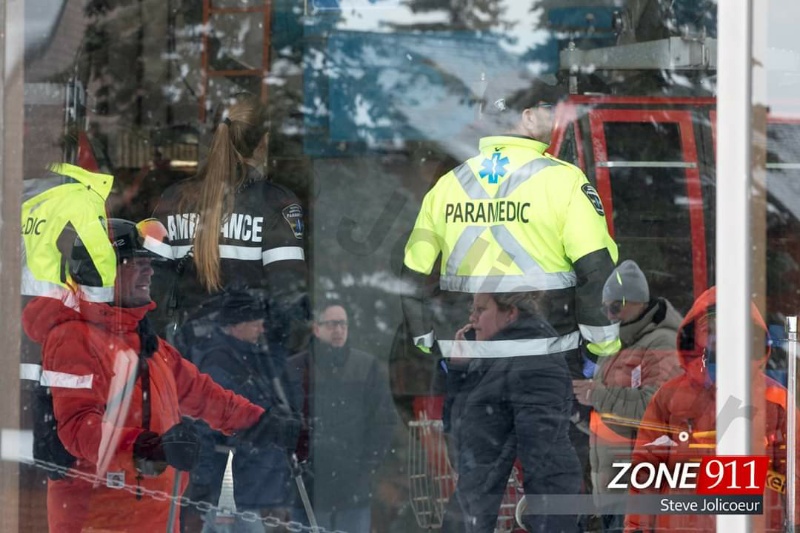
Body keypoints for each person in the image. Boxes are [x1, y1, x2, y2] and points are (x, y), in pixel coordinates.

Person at [401, 77, 621, 531]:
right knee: (552, 486)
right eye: (548, 111)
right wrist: (601, 351)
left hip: (474, 367)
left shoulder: (450, 185)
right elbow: (597, 270)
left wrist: (427, 343)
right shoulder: (562, 181)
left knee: (474, 490)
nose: (555, 120)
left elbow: (412, 274)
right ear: (526, 117)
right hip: (543, 365)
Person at [20, 218, 300, 533]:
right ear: (100, 271)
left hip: (154, 518)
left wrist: (265, 426)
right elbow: (77, 429)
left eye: (149, 264)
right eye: (136, 263)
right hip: (99, 521)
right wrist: (145, 449)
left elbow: (205, 395)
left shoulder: (144, 341)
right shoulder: (73, 338)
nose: (149, 271)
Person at [623, 286, 800, 532]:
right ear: (696, 337)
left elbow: (794, 470)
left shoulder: (774, 399)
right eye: (711, 330)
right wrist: (637, 527)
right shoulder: (670, 397)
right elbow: (647, 469)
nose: (722, 339)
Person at [151, 92, 308, 361]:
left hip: (182, 363)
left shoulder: (173, 200)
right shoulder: (276, 204)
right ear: (264, 141)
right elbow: (288, 300)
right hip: (249, 364)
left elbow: (149, 292)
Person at [447, 292, 582, 532]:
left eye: (481, 310)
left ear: (510, 313)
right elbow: (464, 429)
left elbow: (542, 456)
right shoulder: (499, 356)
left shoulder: (532, 358)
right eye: (472, 309)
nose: (472, 318)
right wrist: (459, 368)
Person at [571, 259, 683, 532]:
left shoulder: (662, 343)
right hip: (613, 489)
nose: (609, 315)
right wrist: (580, 413)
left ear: (638, 302)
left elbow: (655, 408)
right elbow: (612, 417)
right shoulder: (617, 347)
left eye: (615, 306)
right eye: (605, 308)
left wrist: (597, 395)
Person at [182, 290, 303, 533]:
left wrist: (282, 329)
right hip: (233, 482)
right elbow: (204, 426)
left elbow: (274, 368)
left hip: (254, 481)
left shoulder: (246, 353)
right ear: (237, 325)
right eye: (255, 324)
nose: (261, 329)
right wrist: (202, 482)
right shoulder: (220, 364)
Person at [289, 300, 396, 532]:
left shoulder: (366, 367)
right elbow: (284, 421)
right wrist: (298, 462)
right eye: (332, 324)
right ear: (317, 328)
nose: (338, 330)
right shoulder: (296, 368)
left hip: (353, 487)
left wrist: (366, 465)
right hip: (308, 486)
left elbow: (383, 421)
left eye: (343, 324)